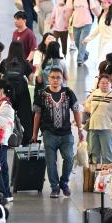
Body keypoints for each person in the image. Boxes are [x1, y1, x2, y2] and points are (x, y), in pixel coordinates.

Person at [31, 68, 84, 199]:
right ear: (48, 79)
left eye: (58, 77)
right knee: (51, 162)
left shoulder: (68, 93)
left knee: (69, 158)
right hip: (49, 133)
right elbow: (37, 115)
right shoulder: (41, 94)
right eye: (53, 77)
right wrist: (34, 133)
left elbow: (76, 110)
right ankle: (55, 188)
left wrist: (80, 129)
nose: (55, 80)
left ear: (62, 79)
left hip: (66, 134)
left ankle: (64, 182)